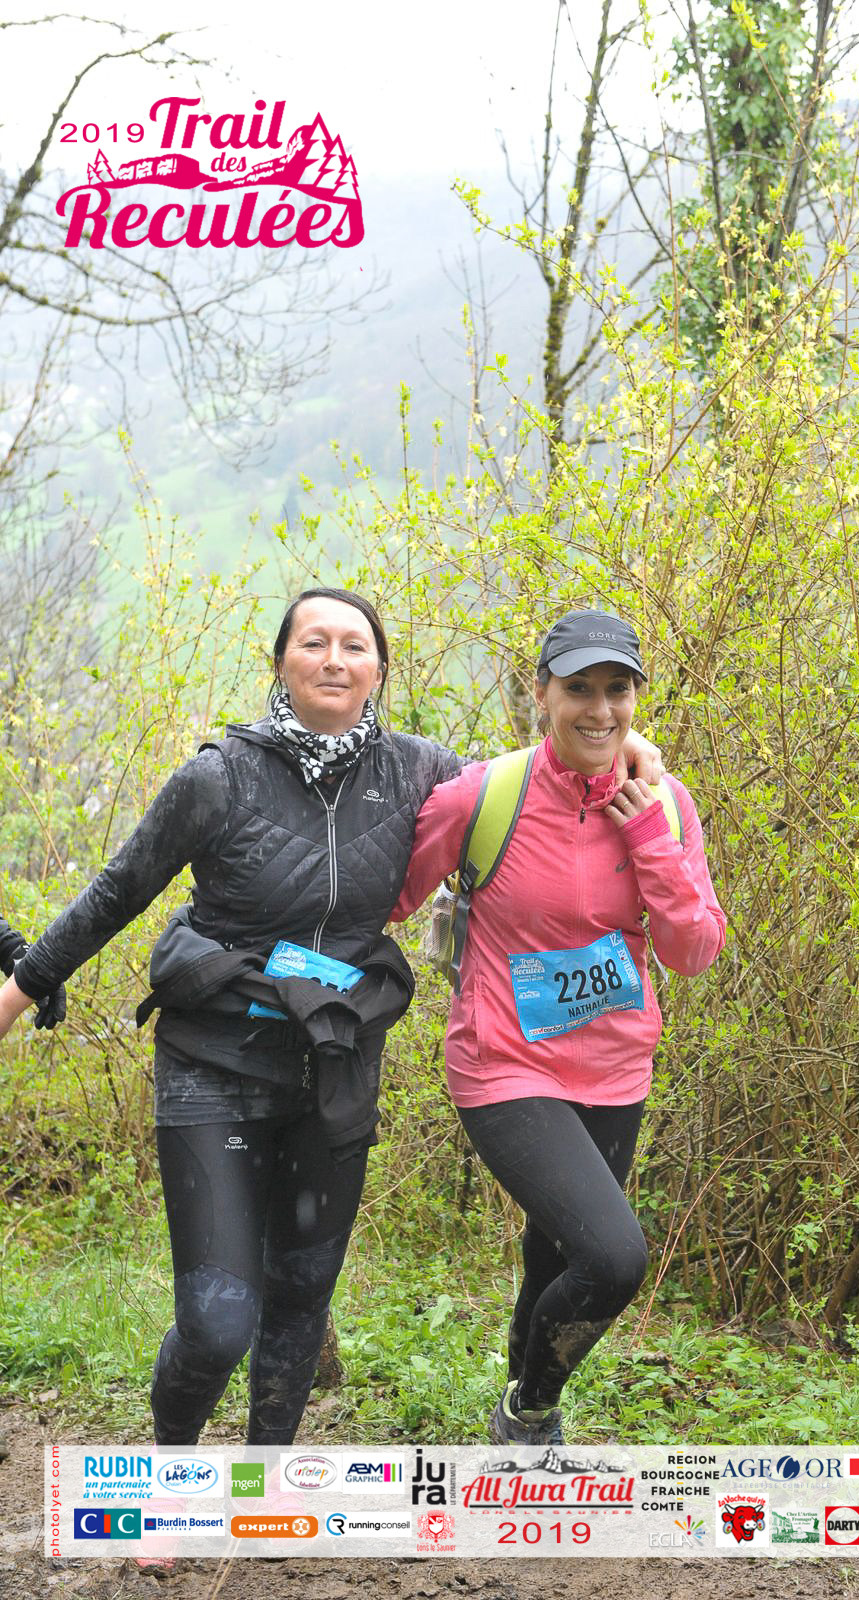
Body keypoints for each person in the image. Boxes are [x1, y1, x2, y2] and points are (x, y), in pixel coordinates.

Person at [0, 588, 662, 1448]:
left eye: (355, 645)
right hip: (215, 1063)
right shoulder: (219, 777)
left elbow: (536, 780)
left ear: (379, 669)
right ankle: (172, 1474)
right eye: (314, 642)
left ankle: (263, 1489)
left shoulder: (422, 772)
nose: (335, 660)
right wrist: (21, 990)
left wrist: (625, 747)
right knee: (216, 1321)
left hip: (334, 1067)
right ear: (281, 661)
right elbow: (118, 890)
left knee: (300, 1302)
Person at [392, 609, 726, 1445]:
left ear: (637, 698)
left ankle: (523, 1426)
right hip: (503, 1061)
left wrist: (647, 835)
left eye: (618, 690)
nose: (599, 710)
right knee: (613, 1257)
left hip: (616, 1066)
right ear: (541, 694)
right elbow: (386, 900)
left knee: (556, 1256)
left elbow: (691, 952)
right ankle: (532, 1408)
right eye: (578, 688)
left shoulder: (666, 805)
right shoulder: (484, 797)